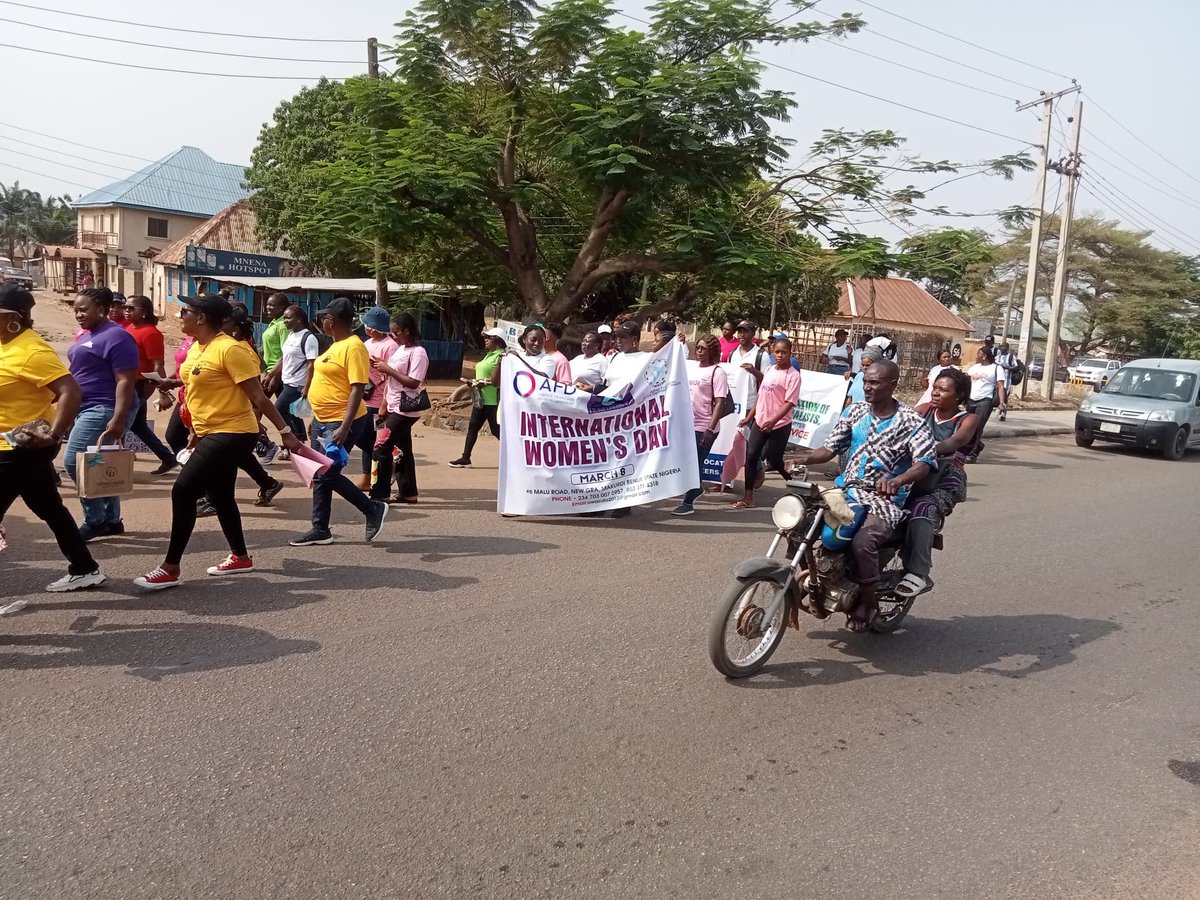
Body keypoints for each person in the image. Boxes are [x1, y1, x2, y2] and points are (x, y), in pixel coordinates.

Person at [132, 295, 302, 590]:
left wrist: (286, 431)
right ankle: (240, 556)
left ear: (201, 318)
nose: (179, 316)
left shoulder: (231, 349)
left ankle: (170, 567)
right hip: (210, 430)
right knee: (221, 495)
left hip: (235, 431)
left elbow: (258, 396)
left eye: (185, 312)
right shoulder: (199, 347)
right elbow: (203, 383)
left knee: (183, 491)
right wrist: (176, 389)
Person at [799, 360, 936, 631]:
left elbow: (924, 463)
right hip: (845, 490)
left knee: (863, 542)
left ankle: (867, 599)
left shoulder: (911, 421)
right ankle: (812, 578)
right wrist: (803, 460)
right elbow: (829, 449)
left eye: (875, 382)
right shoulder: (855, 411)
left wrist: (897, 480)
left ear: (892, 385)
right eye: (866, 382)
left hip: (883, 500)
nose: (868, 387)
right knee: (799, 524)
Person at [0, 284, 107, 591]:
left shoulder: (31, 350)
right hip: (13, 444)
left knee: (49, 508)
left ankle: (85, 567)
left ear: (14, 318)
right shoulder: (6, 343)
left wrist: (54, 433)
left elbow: (70, 390)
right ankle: (85, 568)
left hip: (21, 448)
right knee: (49, 508)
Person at [64, 287, 139, 542]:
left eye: (83, 310)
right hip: (86, 405)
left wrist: (118, 418)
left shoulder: (117, 336)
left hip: (104, 407)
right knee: (102, 462)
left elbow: (126, 380)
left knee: (75, 462)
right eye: (75, 310)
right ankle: (111, 520)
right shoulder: (88, 334)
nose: (78, 314)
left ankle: (94, 520)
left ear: (102, 310)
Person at [897, 368, 979, 598]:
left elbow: (954, 442)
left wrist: (924, 448)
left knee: (922, 509)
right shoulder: (923, 411)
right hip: (916, 471)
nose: (936, 393)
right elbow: (900, 426)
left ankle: (919, 572)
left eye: (943, 390)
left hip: (944, 480)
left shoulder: (967, 419)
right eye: (935, 388)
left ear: (959, 395)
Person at [222, 307, 284, 507]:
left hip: (237, 418)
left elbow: (255, 393)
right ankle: (268, 483)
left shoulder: (239, 351)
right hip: (227, 417)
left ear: (235, 329)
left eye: (223, 322)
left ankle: (217, 500)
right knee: (238, 457)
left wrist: (283, 430)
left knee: (225, 460)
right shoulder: (227, 347)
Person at [732, 338, 801, 510]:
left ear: (790, 353)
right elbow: (761, 395)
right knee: (751, 455)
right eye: (777, 352)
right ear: (772, 352)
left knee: (775, 460)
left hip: (780, 424)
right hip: (760, 420)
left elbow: (789, 403)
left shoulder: (793, 376)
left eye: (784, 352)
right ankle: (748, 497)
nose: (780, 355)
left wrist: (773, 421)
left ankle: (796, 485)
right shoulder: (769, 369)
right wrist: (750, 417)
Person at [369, 311, 429, 504]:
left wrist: (388, 369)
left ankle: (380, 493)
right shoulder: (400, 350)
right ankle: (408, 492)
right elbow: (390, 380)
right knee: (403, 448)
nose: (393, 335)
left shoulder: (418, 352)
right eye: (391, 332)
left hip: (407, 408)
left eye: (396, 332)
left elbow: (413, 382)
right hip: (394, 404)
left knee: (381, 446)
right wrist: (384, 403)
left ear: (407, 330)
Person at [674, 334, 729, 516]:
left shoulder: (717, 372)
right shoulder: (692, 368)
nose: (699, 351)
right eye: (697, 347)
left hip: (705, 425)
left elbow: (720, 402)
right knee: (686, 461)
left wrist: (710, 429)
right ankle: (695, 488)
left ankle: (688, 502)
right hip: (687, 424)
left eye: (703, 348)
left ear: (712, 350)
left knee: (695, 463)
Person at [124, 294, 179, 474]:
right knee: (137, 425)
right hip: (128, 383)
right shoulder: (129, 328)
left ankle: (116, 466)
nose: (127, 311)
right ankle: (168, 458)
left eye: (132, 308)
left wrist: (161, 389)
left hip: (140, 385)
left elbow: (158, 364)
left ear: (144, 312)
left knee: (123, 423)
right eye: (126, 307)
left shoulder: (150, 333)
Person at [449, 326, 506, 468]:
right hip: (481, 399)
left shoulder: (502, 356)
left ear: (497, 340)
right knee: (473, 427)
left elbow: (502, 379)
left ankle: (516, 456)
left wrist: (484, 382)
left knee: (496, 430)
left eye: (489, 338)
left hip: (493, 400)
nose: (486, 340)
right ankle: (465, 458)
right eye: (485, 337)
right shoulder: (489, 355)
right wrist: (474, 383)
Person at [357, 306, 397, 489]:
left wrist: (384, 403)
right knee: (364, 438)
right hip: (365, 398)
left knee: (377, 439)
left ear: (373, 327)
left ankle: (387, 463)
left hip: (379, 400)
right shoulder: (367, 343)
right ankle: (369, 476)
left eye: (367, 324)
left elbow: (392, 375)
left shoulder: (390, 346)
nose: (364, 327)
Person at [269, 304, 320, 445]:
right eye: (284, 318)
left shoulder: (309, 338)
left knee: (278, 409)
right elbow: (284, 358)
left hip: (298, 383)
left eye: (288, 318)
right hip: (287, 381)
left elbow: (311, 364)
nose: (285, 320)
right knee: (293, 412)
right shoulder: (291, 335)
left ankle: (292, 439)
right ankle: (300, 439)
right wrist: (271, 374)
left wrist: (307, 387)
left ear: (298, 319)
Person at [966, 345, 1006, 462]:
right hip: (972, 399)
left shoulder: (996, 368)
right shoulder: (975, 367)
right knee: (967, 426)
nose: (976, 356)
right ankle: (977, 445)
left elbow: (1000, 386)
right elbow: (966, 379)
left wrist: (1002, 403)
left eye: (978, 354)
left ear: (984, 356)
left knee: (977, 427)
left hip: (985, 400)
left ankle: (972, 454)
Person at [599, 320, 647, 396]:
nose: (618, 340)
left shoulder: (647, 358)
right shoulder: (613, 357)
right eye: (617, 336)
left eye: (623, 337)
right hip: (610, 404)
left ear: (634, 339)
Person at [258, 293, 290, 390]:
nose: (268, 307)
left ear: (281, 308)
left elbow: (286, 353)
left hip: (277, 372)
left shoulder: (283, 325)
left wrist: (276, 376)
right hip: (269, 371)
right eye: (267, 304)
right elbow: (266, 347)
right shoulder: (274, 323)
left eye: (272, 305)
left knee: (260, 402)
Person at [995, 341, 1018, 421]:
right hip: (997, 380)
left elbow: (1015, 367)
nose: (1002, 348)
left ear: (1007, 348)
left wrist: (1005, 367)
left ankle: (1003, 414)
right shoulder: (998, 357)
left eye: (1003, 347)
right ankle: (999, 409)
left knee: (1004, 397)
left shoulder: (1011, 357)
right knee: (997, 396)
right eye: (1001, 346)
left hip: (1006, 381)